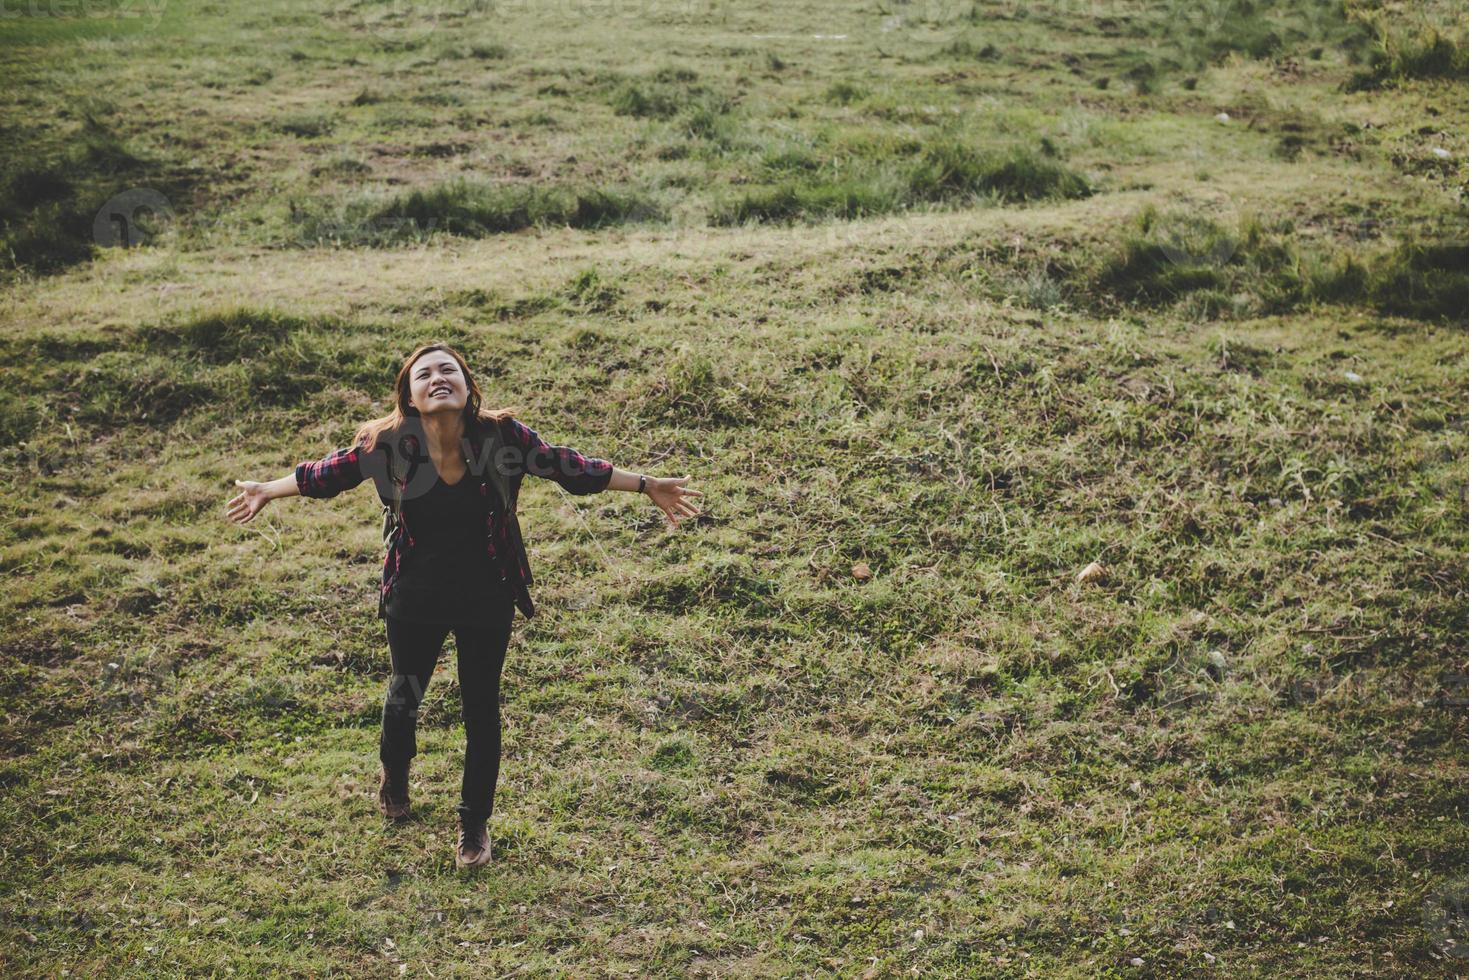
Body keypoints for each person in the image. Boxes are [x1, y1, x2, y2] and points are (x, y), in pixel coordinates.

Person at [224, 341, 702, 868]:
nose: (437, 378)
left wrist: (645, 485)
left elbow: (570, 468)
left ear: (468, 386)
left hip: (487, 593)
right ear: (408, 395)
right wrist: (266, 489)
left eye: (447, 369)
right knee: (405, 693)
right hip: (414, 596)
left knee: (481, 708)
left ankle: (474, 824)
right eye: (423, 374)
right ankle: (395, 771)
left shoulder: (501, 437)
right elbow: (325, 476)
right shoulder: (387, 443)